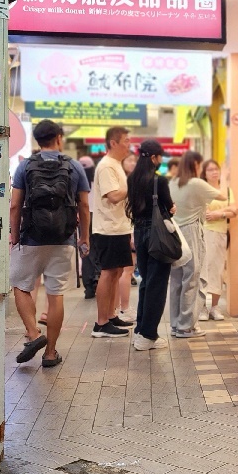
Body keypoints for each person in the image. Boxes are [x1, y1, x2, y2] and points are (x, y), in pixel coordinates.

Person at [9, 119, 90, 367]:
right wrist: (84, 237)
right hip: (63, 238)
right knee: (55, 295)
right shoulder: (74, 166)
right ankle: (50, 353)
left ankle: (34, 334)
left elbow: (15, 205)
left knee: (21, 286)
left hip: (32, 236)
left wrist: (14, 236)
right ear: (59, 137)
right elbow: (84, 206)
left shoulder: (25, 167)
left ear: (37, 140)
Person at [168, 151, 228, 337]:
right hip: (191, 231)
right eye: (201, 165)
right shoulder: (196, 183)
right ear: (195, 164)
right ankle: (186, 326)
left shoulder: (172, 182)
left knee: (177, 279)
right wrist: (224, 175)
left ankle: (176, 324)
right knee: (192, 278)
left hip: (174, 231)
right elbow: (222, 197)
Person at [126, 140, 175, 351]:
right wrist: (172, 209)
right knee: (158, 284)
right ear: (154, 157)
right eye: (160, 156)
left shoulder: (132, 179)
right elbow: (169, 207)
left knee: (147, 280)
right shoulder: (159, 181)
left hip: (139, 231)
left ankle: (140, 330)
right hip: (157, 235)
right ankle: (148, 335)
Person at [91, 127, 134, 337]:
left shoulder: (116, 165)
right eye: (125, 140)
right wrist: (134, 186)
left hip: (119, 227)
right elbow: (114, 196)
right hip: (108, 229)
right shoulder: (107, 166)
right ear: (113, 143)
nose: (129, 144)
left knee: (116, 272)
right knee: (108, 273)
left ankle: (110, 315)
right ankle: (101, 323)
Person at [198, 160, 237, 320]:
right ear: (205, 173)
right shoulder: (202, 190)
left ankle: (214, 307)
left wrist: (219, 213)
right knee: (203, 269)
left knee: (218, 270)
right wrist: (225, 210)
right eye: (210, 169)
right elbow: (205, 213)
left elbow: (235, 210)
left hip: (221, 234)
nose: (214, 172)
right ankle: (201, 308)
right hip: (205, 233)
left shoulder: (227, 191)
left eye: (216, 169)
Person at [117, 152, 139, 322]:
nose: (133, 163)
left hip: (127, 229)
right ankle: (123, 308)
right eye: (129, 160)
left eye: (134, 160)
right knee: (127, 270)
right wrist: (132, 232)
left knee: (124, 271)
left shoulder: (129, 180)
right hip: (127, 229)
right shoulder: (125, 182)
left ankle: (120, 308)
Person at [78, 155, 100, 299]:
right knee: (98, 250)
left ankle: (88, 287)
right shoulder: (97, 181)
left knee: (85, 252)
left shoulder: (76, 182)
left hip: (82, 218)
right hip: (97, 218)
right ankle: (97, 278)